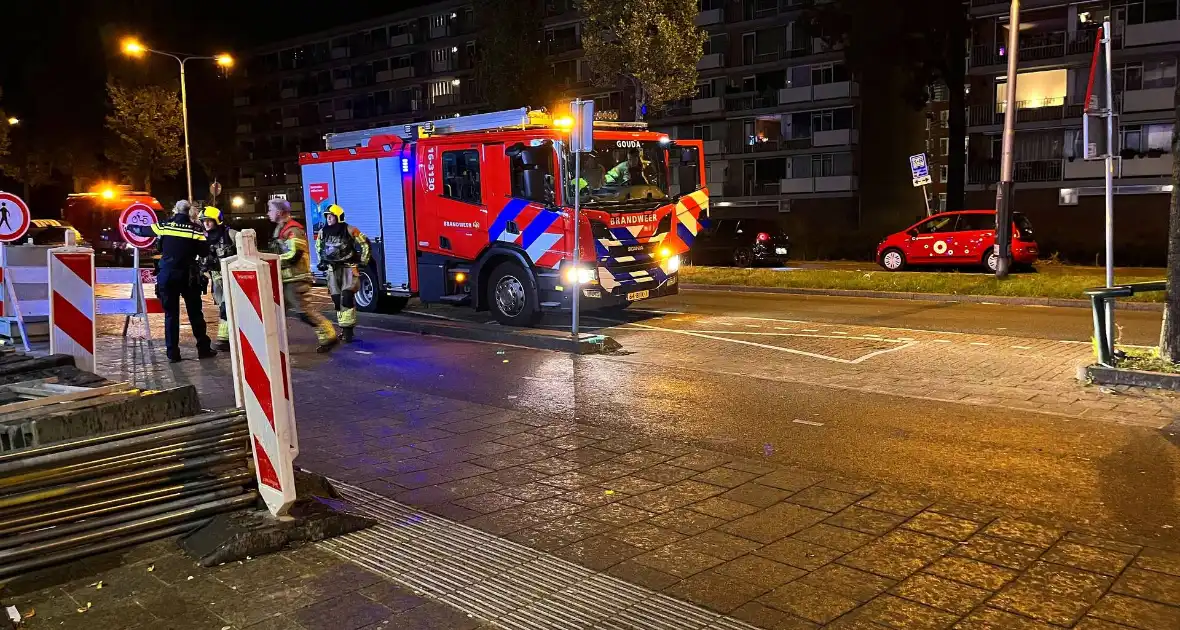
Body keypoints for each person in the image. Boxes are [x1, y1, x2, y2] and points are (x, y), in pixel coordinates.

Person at [128, 200, 216, 363]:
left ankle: (173, 354)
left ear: (175, 210)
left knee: (171, 315)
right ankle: (203, 349)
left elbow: (142, 231)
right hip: (189, 277)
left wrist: (128, 226)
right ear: (190, 212)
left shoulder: (164, 225)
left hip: (167, 275)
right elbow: (204, 252)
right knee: (195, 313)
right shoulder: (195, 229)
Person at [267, 198, 337, 352]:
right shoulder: (281, 228)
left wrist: (272, 260)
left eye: (270, 210)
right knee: (275, 313)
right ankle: (274, 343)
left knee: (304, 313)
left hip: (295, 279)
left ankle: (329, 335)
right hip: (285, 279)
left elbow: (295, 254)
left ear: (279, 212)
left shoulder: (293, 230)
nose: (268, 213)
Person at [316, 204, 370, 343]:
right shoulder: (323, 232)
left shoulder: (350, 229)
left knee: (346, 297)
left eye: (331, 216)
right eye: (327, 216)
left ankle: (348, 332)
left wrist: (363, 260)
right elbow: (319, 247)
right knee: (336, 299)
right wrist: (321, 261)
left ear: (338, 217)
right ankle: (343, 328)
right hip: (332, 269)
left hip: (348, 268)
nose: (329, 219)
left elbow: (365, 243)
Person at [199, 206, 238, 351]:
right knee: (226, 308)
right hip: (216, 281)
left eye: (209, 221)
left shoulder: (231, 235)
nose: (206, 224)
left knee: (225, 307)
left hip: (231, 278)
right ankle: (234, 335)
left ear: (217, 221)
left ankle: (224, 339)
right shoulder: (203, 239)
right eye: (204, 221)